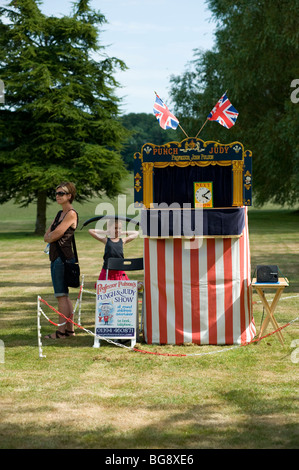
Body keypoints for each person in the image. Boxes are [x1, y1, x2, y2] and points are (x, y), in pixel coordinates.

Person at [44, 182, 78, 339]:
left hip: (62, 259)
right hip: (57, 258)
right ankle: (69, 330)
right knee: (65, 295)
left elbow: (56, 234)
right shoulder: (59, 214)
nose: (58, 196)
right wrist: (50, 236)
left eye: (61, 193)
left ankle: (61, 333)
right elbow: (47, 236)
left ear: (69, 196)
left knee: (61, 296)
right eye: (56, 193)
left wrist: (51, 236)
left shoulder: (71, 213)